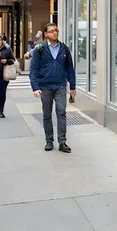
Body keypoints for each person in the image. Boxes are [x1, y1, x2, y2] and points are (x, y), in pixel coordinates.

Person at [30, 23, 76, 153]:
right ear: (45, 34)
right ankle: (49, 141)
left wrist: (72, 86)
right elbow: (33, 70)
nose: (55, 33)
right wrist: (35, 87)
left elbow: (70, 69)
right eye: (51, 31)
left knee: (61, 112)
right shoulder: (40, 49)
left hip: (60, 85)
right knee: (47, 114)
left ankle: (62, 142)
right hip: (45, 86)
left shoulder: (64, 48)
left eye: (56, 30)